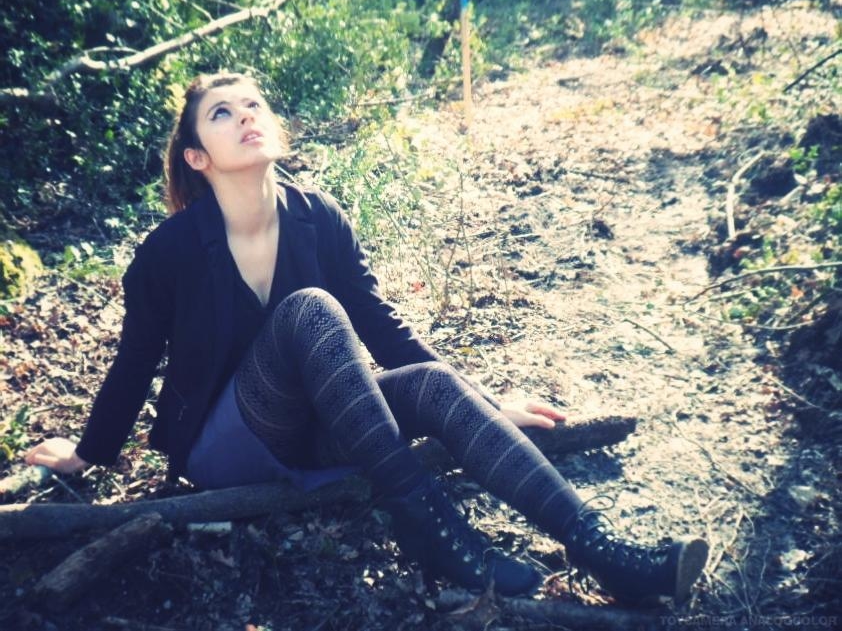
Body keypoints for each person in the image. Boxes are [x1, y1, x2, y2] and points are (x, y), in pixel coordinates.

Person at [25, 72, 708, 603]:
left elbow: (384, 328)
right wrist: (88, 453)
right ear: (198, 156)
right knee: (310, 310)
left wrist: (489, 404)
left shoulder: (319, 218)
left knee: (431, 384)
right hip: (224, 447)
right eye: (223, 113)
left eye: (254, 104)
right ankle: (432, 526)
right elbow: (135, 359)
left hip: (324, 427)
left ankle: (605, 551)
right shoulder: (169, 251)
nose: (247, 116)